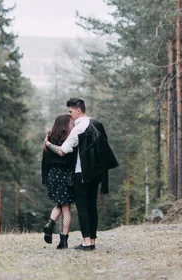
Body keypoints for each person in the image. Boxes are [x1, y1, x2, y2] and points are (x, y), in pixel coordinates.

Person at [44, 98, 118, 251]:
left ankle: (86, 242)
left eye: (71, 112)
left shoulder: (78, 129)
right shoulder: (96, 123)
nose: (70, 116)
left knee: (83, 207)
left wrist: (48, 144)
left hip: (81, 173)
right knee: (92, 206)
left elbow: (62, 151)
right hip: (96, 173)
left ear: (78, 110)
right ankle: (92, 240)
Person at [42, 113, 76, 249]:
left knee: (60, 204)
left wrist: (45, 178)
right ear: (65, 124)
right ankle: (64, 241)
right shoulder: (69, 139)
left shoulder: (49, 138)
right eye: (71, 123)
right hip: (65, 175)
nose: (72, 125)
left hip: (52, 175)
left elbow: (45, 161)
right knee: (66, 208)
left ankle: (49, 224)